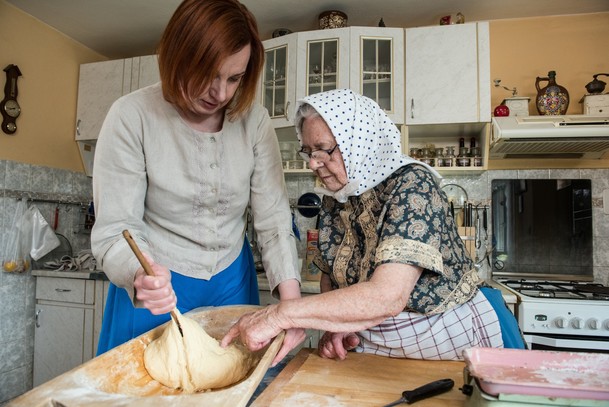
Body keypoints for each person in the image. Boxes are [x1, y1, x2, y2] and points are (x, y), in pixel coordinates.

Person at [222, 89, 524, 361]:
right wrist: (336, 326)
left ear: (359, 141)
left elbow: (388, 296)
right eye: (308, 151)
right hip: (376, 343)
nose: (313, 163)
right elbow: (331, 279)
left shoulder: (411, 185)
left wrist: (281, 315)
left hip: (454, 336)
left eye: (323, 149)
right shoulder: (334, 199)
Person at [91, 0, 304, 364]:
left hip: (232, 281)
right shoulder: (131, 116)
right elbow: (116, 229)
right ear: (177, 57)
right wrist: (139, 276)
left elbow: (273, 222)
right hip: (157, 284)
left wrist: (293, 309)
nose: (220, 94)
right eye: (208, 73)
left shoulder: (255, 121)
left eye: (234, 78)